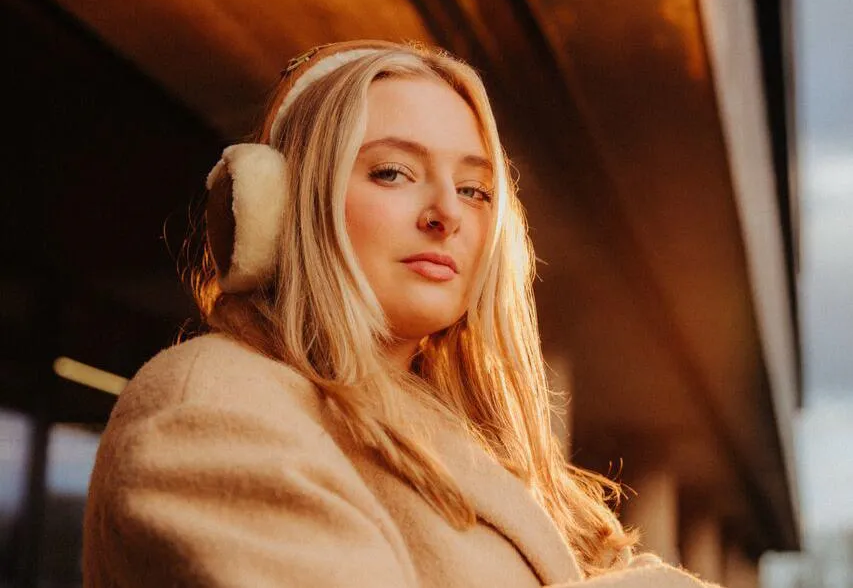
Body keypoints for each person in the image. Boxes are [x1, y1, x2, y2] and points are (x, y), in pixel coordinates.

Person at [82, 40, 720, 587]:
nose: (447, 212)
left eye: (474, 189)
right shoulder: (207, 405)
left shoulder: (459, 441)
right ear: (282, 202)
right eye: (392, 173)